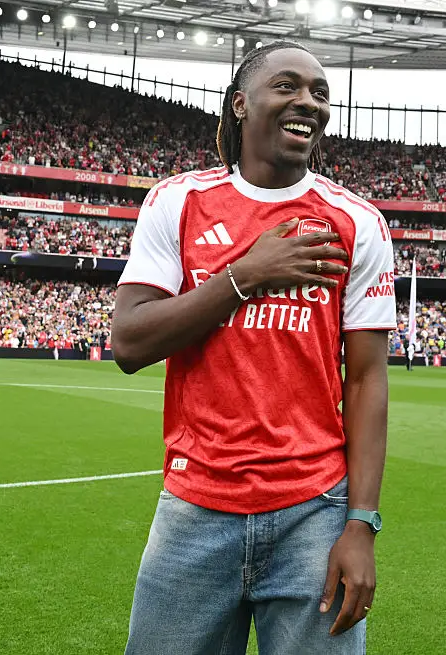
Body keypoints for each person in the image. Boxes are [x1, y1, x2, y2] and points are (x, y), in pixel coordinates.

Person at [112, 40, 396, 655]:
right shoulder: (178, 202)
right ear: (241, 104)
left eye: (321, 93)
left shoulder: (357, 221)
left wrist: (361, 524)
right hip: (195, 507)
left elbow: (368, 380)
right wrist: (246, 275)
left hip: (314, 515)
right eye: (287, 86)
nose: (308, 103)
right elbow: (129, 340)